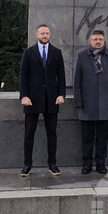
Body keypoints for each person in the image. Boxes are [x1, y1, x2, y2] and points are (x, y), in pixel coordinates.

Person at [18, 24, 66, 177]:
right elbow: (23, 75)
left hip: (51, 99)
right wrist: (24, 95)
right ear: (37, 35)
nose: (45, 36)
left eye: (47, 33)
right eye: (42, 33)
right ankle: (27, 164)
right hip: (32, 99)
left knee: (52, 133)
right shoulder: (28, 53)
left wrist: (61, 94)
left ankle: (52, 164)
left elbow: (61, 76)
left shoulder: (56, 52)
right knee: (29, 133)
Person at [74, 29, 108, 174]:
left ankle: (101, 163)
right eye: (95, 39)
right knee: (87, 137)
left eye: (100, 39)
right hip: (87, 103)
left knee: (102, 136)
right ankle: (87, 163)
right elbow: (77, 80)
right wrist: (78, 101)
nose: (98, 42)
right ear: (90, 41)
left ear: (104, 40)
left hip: (105, 103)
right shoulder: (82, 56)